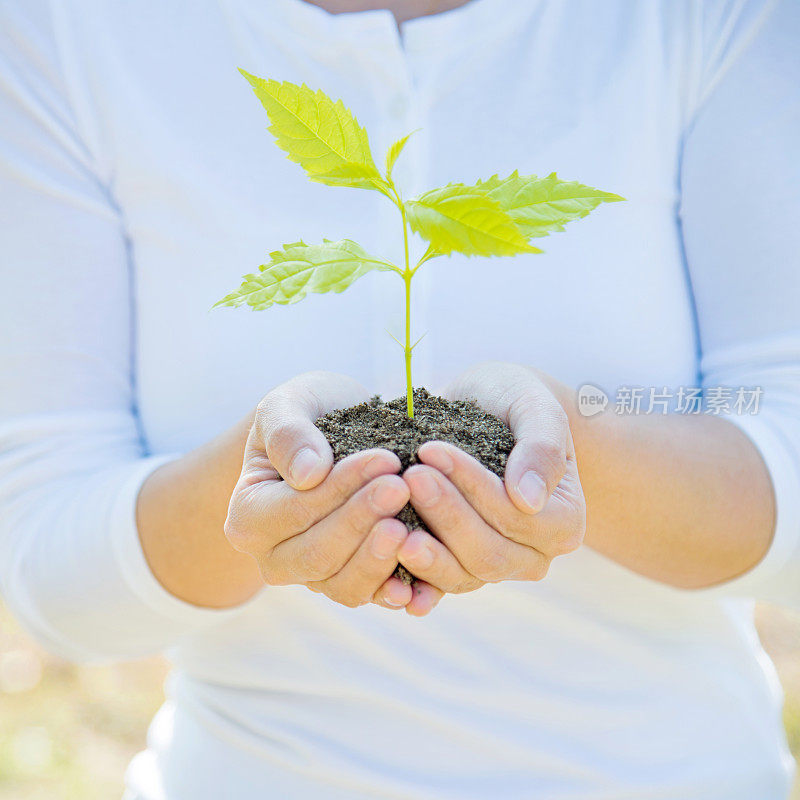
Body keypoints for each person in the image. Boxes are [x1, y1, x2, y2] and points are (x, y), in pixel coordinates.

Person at [1, 0, 799, 797]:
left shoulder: (709, 18)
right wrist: (269, 480)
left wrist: (569, 450)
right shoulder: (67, 29)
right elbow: (50, 575)